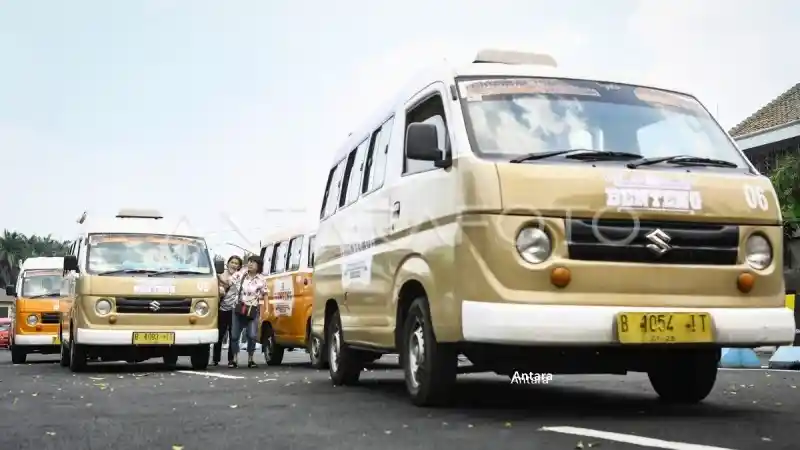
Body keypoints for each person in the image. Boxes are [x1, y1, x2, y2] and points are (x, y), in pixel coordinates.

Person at [226, 255, 268, 368]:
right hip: (238, 308)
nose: (250, 264)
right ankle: (234, 359)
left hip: (253, 309)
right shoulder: (241, 274)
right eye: (249, 261)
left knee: (252, 335)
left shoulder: (261, 279)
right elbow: (228, 281)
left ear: (259, 266)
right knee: (234, 335)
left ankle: (251, 359)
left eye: (253, 262)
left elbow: (265, 294)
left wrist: (266, 309)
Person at [212, 255, 242, 366]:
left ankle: (231, 360)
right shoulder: (220, 276)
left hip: (235, 310)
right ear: (228, 263)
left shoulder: (240, 277)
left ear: (239, 266)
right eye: (232, 262)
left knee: (233, 335)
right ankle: (215, 359)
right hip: (222, 309)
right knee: (220, 335)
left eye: (236, 263)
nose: (234, 265)